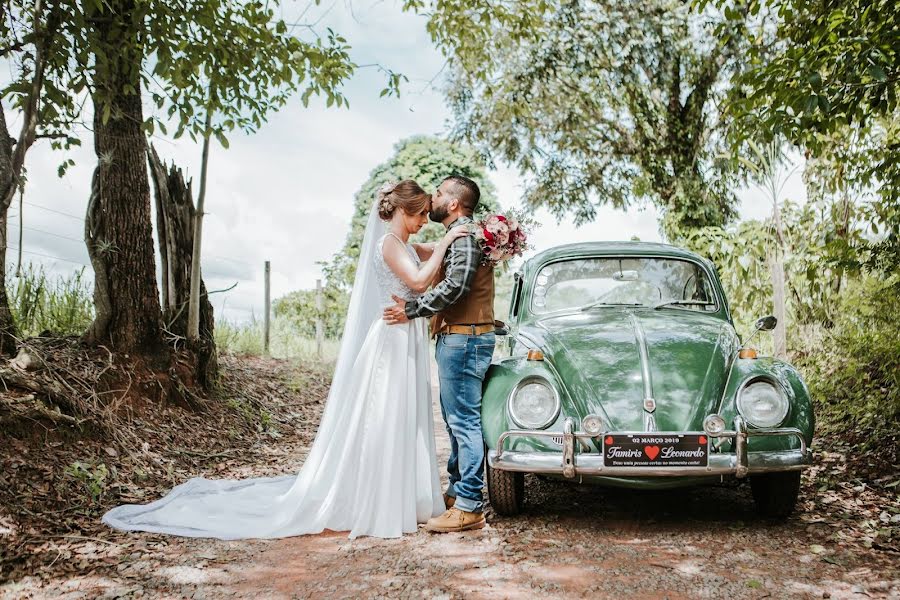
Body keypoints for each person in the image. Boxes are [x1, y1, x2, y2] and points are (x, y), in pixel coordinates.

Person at [102, 180, 468, 540]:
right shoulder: (388, 244)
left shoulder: (403, 243)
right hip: (392, 338)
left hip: (407, 335)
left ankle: (399, 495)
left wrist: (462, 239)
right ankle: (376, 500)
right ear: (402, 211)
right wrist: (447, 242)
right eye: (420, 214)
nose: (424, 220)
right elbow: (420, 282)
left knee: (402, 414)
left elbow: (432, 255)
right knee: (386, 414)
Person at [383, 175, 495, 533]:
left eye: (439, 192)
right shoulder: (461, 235)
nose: (432, 197)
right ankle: (457, 492)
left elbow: (455, 288)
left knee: (463, 422)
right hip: (460, 337)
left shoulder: (464, 236)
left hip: (465, 338)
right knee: (455, 419)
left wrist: (412, 309)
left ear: (453, 204)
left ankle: (469, 506)